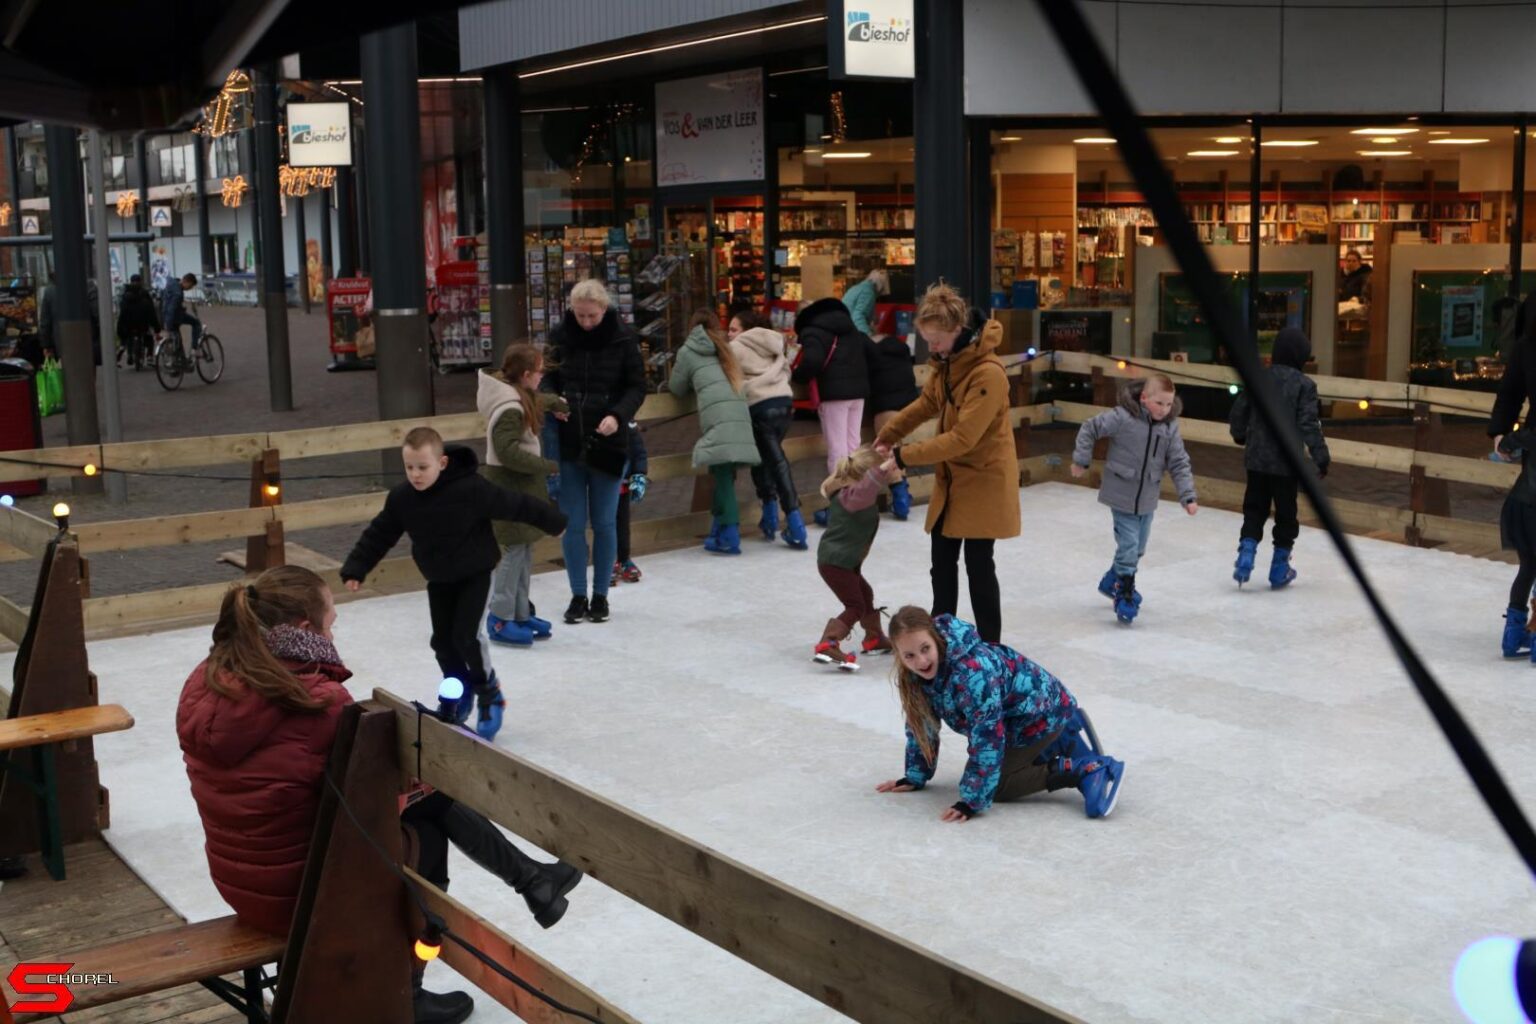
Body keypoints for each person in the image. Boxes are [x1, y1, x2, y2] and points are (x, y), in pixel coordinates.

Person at [176, 566, 583, 1024]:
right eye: (331, 614)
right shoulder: (317, 700)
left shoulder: (206, 680)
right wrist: (424, 778)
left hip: (242, 881)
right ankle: (411, 988)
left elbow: (313, 793)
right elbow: (365, 809)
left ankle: (531, 882)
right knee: (426, 832)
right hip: (300, 892)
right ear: (306, 629)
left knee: (425, 806)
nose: (336, 623)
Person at [339, 427, 567, 740]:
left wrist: (554, 522)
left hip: (476, 572)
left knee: (467, 637)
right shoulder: (403, 499)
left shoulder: (471, 490)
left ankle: (489, 694)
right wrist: (356, 568)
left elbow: (515, 504)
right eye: (409, 468)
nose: (416, 475)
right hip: (439, 577)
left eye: (423, 467)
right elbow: (380, 533)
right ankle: (458, 689)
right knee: (442, 642)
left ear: (442, 463)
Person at [875, 607, 1125, 821]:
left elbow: (987, 737)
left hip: (1043, 713)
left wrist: (971, 801)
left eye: (925, 648)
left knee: (999, 786)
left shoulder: (971, 674)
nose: (921, 661)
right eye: (909, 655)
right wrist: (915, 775)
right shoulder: (913, 677)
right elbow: (922, 725)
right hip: (1018, 720)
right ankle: (1061, 738)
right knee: (991, 775)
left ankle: (1087, 769)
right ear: (898, 654)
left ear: (935, 637)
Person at [874, 284, 1017, 644]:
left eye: (935, 340)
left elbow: (963, 439)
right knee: (941, 564)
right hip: (953, 480)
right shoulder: (949, 363)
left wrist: (904, 455)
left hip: (983, 480)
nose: (931, 348)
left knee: (979, 566)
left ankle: (992, 646)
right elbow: (926, 404)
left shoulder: (987, 373)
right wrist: (890, 433)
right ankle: (942, 637)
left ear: (957, 330)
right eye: (927, 340)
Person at [542, 278, 647, 625]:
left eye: (592, 316)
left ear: (604, 309)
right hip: (570, 441)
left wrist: (618, 416)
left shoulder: (623, 338)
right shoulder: (559, 336)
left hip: (608, 442)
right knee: (572, 524)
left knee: (604, 522)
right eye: (580, 315)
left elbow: (636, 386)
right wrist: (553, 402)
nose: (586, 322)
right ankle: (577, 594)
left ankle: (600, 594)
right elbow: (547, 380)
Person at [1070, 374, 1199, 624]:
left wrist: (1188, 496)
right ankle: (1124, 593)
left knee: (1138, 548)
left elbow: (1179, 462)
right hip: (1121, 495)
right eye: (1159, 403)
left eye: (1168, 404)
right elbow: (1090, 428)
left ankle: (1111, 581)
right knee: (1128, 546)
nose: (1164, 409)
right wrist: (1081, 459)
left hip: (1148, 498)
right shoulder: (1123, 417)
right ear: (1143, 398)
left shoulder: (1169, 427)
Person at [1228, 327, 1330, 589]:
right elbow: (1309, 424)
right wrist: (1321, 457)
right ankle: (1279, 568)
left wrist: (1239, 435)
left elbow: (1240, 409)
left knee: (1254, 508)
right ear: (1300, 358)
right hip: (1287, 464)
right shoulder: (1305, 385)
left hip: (1257, 460)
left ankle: (1246, 555)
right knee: (1286, 514)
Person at [478, 344, 565, 648]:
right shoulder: (510, 408)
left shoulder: (518, 395)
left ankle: (519, 613)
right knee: (513, 552)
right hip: (509, 488)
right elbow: (507, 451)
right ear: (526, 374)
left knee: (524, 549)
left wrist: (558, 404)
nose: (543, 376)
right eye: (540, 371)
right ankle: (499, 618)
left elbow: (536, 400)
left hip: (520, 488)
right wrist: (546, 466)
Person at [668, 310, 761, 555]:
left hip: (719, 421)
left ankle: (730, 535)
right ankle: (719, 530)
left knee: (721, 476)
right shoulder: (725, 348)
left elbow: (676, 388)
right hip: (739, 417)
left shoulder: (688, 351)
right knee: (722, 473)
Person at [813, 447, 899, 671]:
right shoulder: (855, 496)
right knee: (855, 605)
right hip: (837, 563)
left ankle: (874, 638)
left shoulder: (850, 494)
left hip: (843, 562)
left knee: (865, 593)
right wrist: (882, 468)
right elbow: (869, 485)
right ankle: (828, 643)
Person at [729, 309, 808, 549]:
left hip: (759, 407)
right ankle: (770, 514)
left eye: (734, 329)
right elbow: (786, 370)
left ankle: (794, 521)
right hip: (783, 405)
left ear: (746, 330)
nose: (729, 334)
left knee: (774, 460)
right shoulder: (774, 345)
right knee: (766, 458)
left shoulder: (736, 348)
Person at [792, 297, 872, 526]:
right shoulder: (849, 326)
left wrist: (797, 376)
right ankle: (859, 501)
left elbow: (813, 361)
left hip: (834, 394)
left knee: (837, 450)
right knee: (853, 446)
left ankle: (840, 506)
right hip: (858, 393)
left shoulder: (812, 331)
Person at [865, 324, 920, 521]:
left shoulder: (873, 356)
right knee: (897, 450)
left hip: (886, 406)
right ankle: (903, 496)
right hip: (909, 406)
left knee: (887, 451)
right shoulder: (901, 352)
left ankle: (900, 499)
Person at [612, 420, 649, 585]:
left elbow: (639, 452)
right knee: (605, 526)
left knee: (623, 525)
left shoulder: (629, 424)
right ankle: (608, 562)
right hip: (604, 486)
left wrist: (639, 474)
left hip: (623, 486)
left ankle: (624, 559)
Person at [116, 273, 161, 369]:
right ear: (141, 282)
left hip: (129, 324)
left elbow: (122, 313)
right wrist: (157, 328)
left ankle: (126, 351)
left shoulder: (125, 295)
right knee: (149, 337)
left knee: (127, 337)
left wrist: (120, 328)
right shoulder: (145, 294)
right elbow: (151, 312)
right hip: (143, 324)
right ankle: (149, 357)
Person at [841, 268, 890, 336]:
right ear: (880, 286)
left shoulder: (857, 288)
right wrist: (870, 336)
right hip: (848, 332)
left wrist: (872, 317)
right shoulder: (868, 292)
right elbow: (858, 317)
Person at [162, 272, 202, 350]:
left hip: (165, 314)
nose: (189, 289)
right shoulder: (178, 293)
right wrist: (168, 326)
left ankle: (180, 358)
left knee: (178, 340)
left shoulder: (171, 283)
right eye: (190, 286)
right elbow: (172, 308)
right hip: (174, 317)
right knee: (196, 323)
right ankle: (194, 348)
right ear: (187, 282)